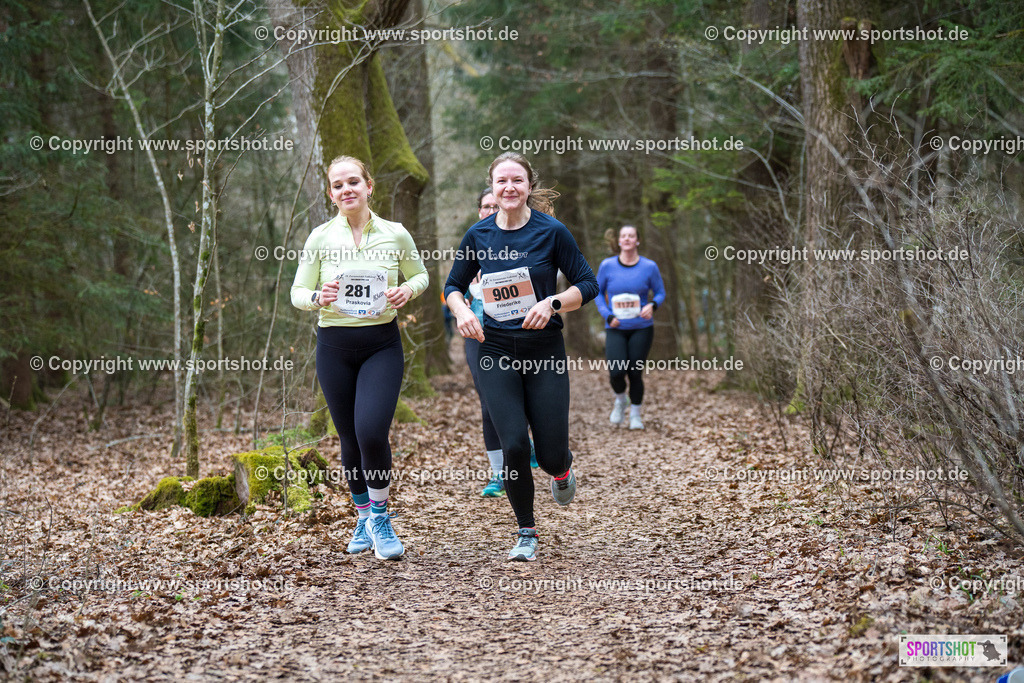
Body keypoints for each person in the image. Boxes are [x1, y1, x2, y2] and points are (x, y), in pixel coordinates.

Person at [445, 152, 598, 561]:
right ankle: (525, 531)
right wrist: (461, 312)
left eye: (517, 180)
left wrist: (552, 303)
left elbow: (588, 283)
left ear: (529, 186)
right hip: (494, 351)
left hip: (544, 351)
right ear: (492, 187)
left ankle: (562, 468)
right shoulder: (477, 235)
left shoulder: (552, 232)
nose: (509, 188)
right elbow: (453, 286)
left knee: (548, 456)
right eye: (501, 181)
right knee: (512, 443)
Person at [291, 155, 428, 561]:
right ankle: (363, 516)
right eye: (338, 185)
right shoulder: (319, 237)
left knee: (371, 431)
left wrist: (409, 291)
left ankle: (382, 518)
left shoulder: (395, 233)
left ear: (369, 186)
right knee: (348, 436)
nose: (346, 189)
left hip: (381, 344)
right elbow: (298, 292)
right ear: (330, 193)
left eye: (354, 181)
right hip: (334, 345)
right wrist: (319, 297)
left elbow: (419, 275)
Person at [462, 189, 539, 499]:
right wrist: (463, 302)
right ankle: (500, 473)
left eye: (494, 205)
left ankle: (525, 442)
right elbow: (452, 286)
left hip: (518, 332)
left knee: (522, 395)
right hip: (478, 333)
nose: (489, 210)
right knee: (487, 401)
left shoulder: (520, 241)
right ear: (479, 210)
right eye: (485, 206)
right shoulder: (472, 241)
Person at [594, 225, 666, 430]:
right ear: (618, 241)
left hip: (641, 327)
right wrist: (607, 315)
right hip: (615, 326)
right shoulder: (607, 266)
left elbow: (660, 292)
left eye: (631, 236)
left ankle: (635, 414)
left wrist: (652, 305)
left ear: (637, 241)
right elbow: (597, 293)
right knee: (616, 372)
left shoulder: (649, 267)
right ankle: (620, 399)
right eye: (623, 235)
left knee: (635, 372)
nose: (626, 239)